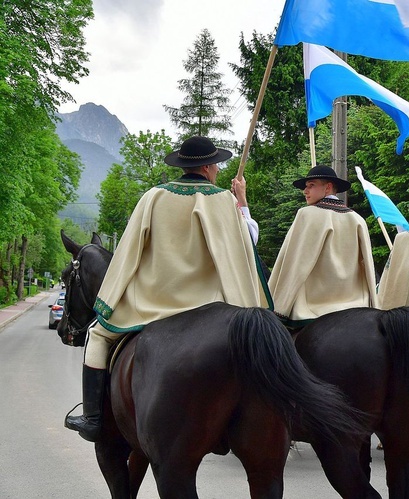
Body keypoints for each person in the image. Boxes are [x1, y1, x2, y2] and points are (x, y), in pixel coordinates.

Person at [65, 136, 271, 442]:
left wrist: (108, 300)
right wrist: (241, 203)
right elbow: (246, 245)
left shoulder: (153, 197)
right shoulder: (223, 200)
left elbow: (128, 251)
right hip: (211, 307)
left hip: (154, 304)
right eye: (215, 164)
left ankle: (93, 418)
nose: (217, 169)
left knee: (98, 335)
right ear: (206, 167)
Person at [268, 165, 378, 328]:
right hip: (356, 305)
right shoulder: (358, 220)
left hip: (313, 308)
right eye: (306, 187)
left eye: (311, 185)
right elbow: (367, 267)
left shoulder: (307, 214)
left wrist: (277, 307)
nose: (305, 191)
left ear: (328, 187)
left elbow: (293, 263)